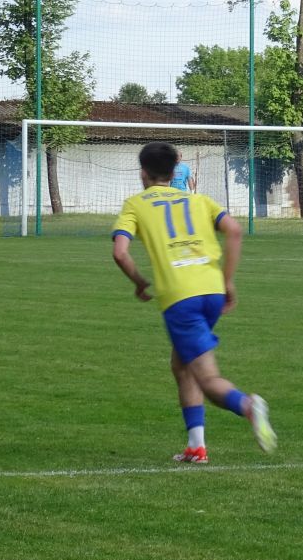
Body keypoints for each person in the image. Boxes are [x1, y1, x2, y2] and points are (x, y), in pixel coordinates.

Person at [112, 142, 276, 464]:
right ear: (175, 171)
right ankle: (196, 447)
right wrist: (227, 281)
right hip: (211, 291)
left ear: (143, 173)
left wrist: (139, 282)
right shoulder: (198, 199)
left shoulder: (135, 204)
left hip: (180, 296)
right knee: (181, 365)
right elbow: (234, 230)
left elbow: (120, 252)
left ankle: (247, 405)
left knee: (207, 378)